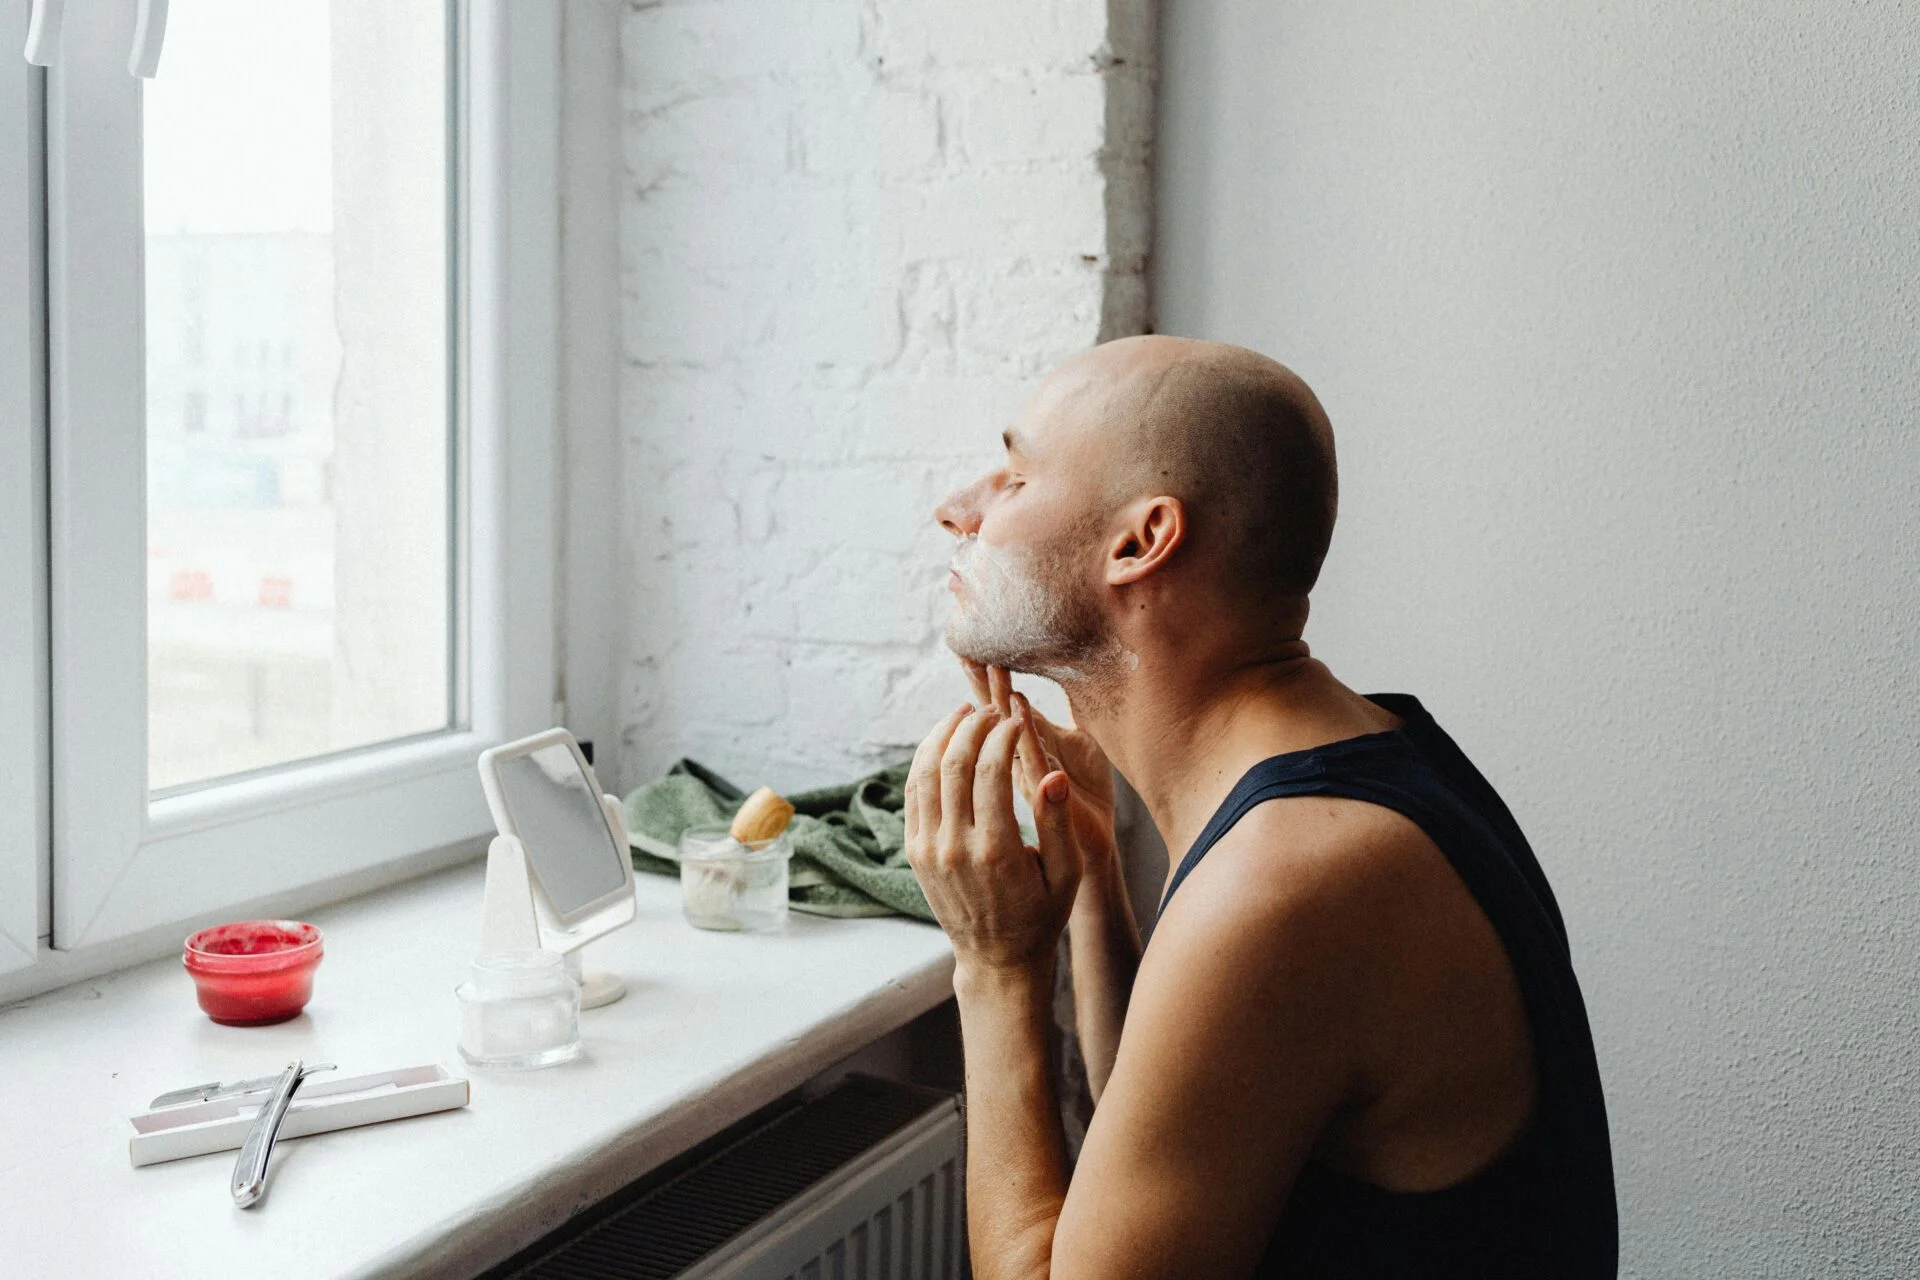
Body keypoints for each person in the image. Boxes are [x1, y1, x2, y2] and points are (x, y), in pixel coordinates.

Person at [904, 336, 1616, 1278]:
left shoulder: (1287, 880)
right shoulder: (1366, 754)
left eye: (1017, 478)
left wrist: (994, 969)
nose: (958, 510)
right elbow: (1173, 1143)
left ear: (1139, 543)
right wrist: (1091, 885)